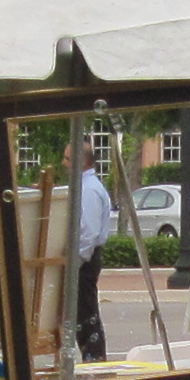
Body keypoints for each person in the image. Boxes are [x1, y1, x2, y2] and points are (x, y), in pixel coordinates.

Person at [72, 149, 115, 360]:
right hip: (85, 257)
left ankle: (94, 358)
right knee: (82, 312)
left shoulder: (88, 190)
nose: (64, 163)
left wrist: (76, 261)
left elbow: (88, 232)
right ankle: (92, 356)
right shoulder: (85, 187)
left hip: (85, 260)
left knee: (86, 311)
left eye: (68, 159)